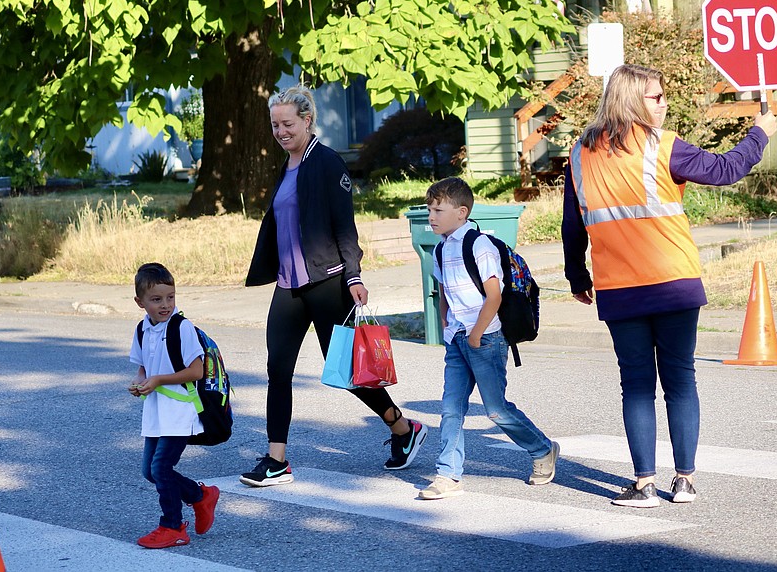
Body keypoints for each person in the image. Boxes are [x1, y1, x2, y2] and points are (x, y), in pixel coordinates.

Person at [562, 64, 777, 508]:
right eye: (656, 97)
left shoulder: (580, 154)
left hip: (619, 288)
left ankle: (643, 484)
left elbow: (573, 225)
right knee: (680, 379)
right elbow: (726, 169)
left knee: (637, 385)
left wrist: (577, 277)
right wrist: (760, 133)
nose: (665, 103)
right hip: (674, 281)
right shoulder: (662, 146)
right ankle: (684, 481)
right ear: (633, 101)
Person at [243, 85, 426, 486]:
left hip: (327, 282)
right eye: (275, 125)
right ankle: (277, 460)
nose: (281, 131)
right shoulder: (286, 165)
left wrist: (354, 275)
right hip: (289, 285)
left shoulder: (327, 163)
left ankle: (401, 427)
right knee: (278, 369)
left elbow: (346, 225)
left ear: (307, 121)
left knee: (346, 370)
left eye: (288, 124)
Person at [418, 177, 559, 500]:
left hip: (486, 338)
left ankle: (542, 449)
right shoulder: (440, 249)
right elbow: (442, 291)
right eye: (429, 209)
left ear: (462, 212)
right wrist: (446, 326)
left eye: (438, 209)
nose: (432, 216)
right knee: (451, 409)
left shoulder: (478, 244)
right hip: (457, 339)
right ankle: (448, 475)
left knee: (495, 410)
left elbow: (493, 295)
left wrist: (477, 334)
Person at [129, 262, 220, 548]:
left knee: (161, 468)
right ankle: (200, 496)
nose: (165, 305)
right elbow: (144, 367)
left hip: (180, 411)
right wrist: (141, 381)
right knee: (150, 471)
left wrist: (158, 380)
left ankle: (173, 527)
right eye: (156, 300)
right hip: (156, 411)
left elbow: (196, 371)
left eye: (170, 297)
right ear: (140, 302)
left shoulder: (182, 328)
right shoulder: (143, 329)